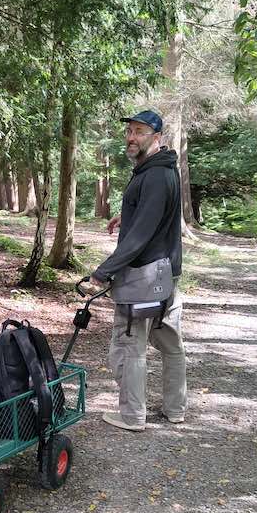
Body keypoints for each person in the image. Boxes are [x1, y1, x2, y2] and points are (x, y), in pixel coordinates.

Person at [89, 109, 187, 432]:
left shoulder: (155, 175)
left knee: (129, 347)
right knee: (171, 345)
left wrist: (104, 270)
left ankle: (132, 415)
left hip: (145, 276)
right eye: (129, 131)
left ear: (156, 138)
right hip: (166, 274)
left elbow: (142, 235)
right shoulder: (157, 170)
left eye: (140, 131)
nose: (131, 137)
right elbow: (151, 215)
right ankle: (175, 409)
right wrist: (125, 215)